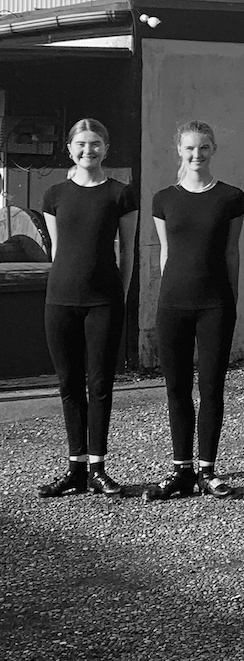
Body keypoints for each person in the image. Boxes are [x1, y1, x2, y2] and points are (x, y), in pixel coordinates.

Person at [36, 118, 137, 498]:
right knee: (68, 384)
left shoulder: (120, 195)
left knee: (100, 384)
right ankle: (75, 467)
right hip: (60, 299)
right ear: (70, 149)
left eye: (95, 144)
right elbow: (58, 252)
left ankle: (97, 467)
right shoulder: (54, 194)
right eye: (81, 144)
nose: (88, 151)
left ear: (106, 149)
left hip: (104, 301)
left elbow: (127, 251)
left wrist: (120, 295)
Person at [145, 121, 244, 501]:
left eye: (204, 148)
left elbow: (231, 252)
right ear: (179, 151)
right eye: (190, 149)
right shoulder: (163, 199)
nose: (197, 155)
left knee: (212, 387)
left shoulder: (231, 197)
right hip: (173, 304)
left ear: (214, 149)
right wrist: (165, 297)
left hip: (215, 304)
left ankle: (207, 470)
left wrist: (231, 300)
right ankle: (181, 470)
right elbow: (166, 253)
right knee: (177, 389)